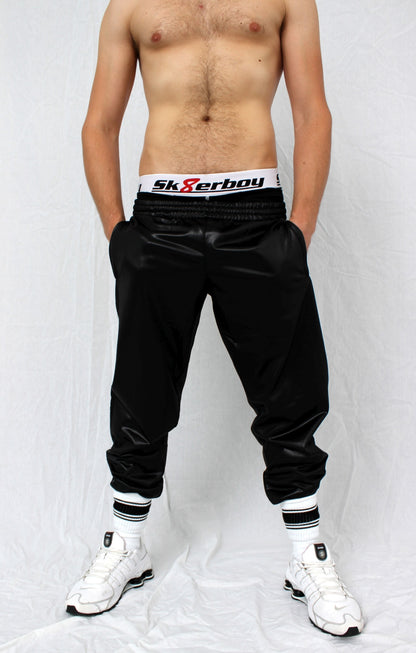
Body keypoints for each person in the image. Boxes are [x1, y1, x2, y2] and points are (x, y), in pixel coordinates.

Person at [65, 0, 365, 637]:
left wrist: (299, 233)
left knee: (290, 386)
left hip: (255, 215)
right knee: (142, 386)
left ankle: (307, 554)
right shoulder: (130, 6)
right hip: (160, 217)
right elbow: (99, 123)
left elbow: (312, 112)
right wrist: (119, 235)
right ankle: (127, 543)